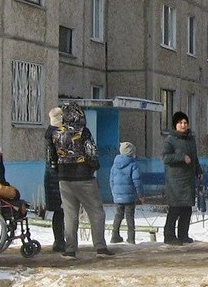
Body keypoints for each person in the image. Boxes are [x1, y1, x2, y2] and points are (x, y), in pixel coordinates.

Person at [50, 103, 111, 258]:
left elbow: (51, 158)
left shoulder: (56, 133)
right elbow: (92, 152)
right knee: (96, 212)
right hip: (84, 178)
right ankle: (100, 248)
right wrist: (92, 167)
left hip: (64, 179)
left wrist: (60, 170)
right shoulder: (83, 132)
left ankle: (70, 249)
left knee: (70, 215)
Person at [162, 111, 202, 245]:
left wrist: (198, 171)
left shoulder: (191, 140)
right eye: (180, 123)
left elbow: (194, 157)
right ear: (175, 125)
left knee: (187, 209)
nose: (183, 125)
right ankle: (169, 236)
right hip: (175, 181)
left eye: (185, 122)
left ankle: (183, 235)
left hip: (188, 180)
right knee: (175, 209)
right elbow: (165, 157)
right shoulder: (170, 140)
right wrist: (181, 157)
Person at [109, 142, 143, 244]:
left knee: (118, 215)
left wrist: (114, 192)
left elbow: (111, 180)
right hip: (129, 196)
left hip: (117, 195)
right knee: (129, 216)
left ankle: (114, 236)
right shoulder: (133, 165)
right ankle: (131, 238)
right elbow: (137, 181)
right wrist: (141, 195)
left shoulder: (114, 165)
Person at [43, 107, 66, 252]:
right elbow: (55, 160)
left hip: (51, 177)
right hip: (56, 178)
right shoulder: (56, 135)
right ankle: (59, 241)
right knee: (61, 211)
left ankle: (59, 241)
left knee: (60, 212)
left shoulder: (49, 133)